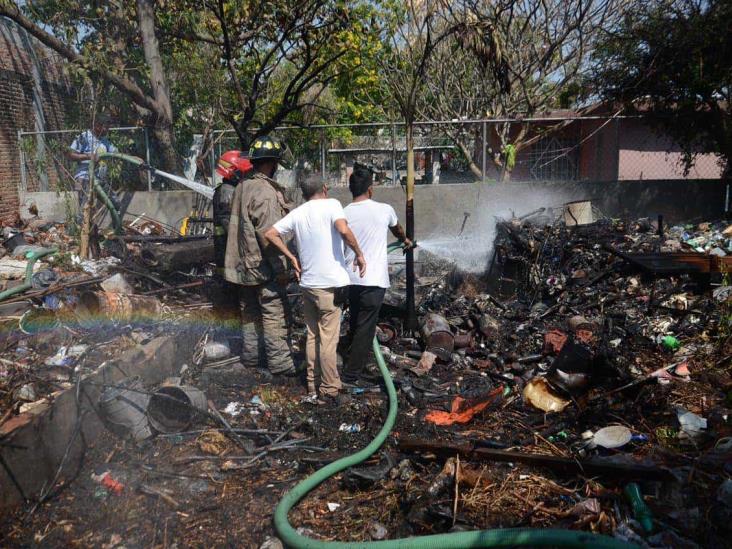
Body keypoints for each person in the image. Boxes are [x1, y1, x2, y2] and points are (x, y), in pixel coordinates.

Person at [264, 175, 367, 405]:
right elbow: (343, 229)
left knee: (313, 336)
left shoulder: (299, 212)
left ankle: (313, 383)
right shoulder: (332, 204)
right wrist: (359, 254)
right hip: (329, 285)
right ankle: (330, 389)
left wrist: (292, 257)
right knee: (328, 340)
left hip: (308, 285)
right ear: (325, 189)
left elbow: (270, 233)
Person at [224, 136, 297, 377]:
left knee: (250, 315)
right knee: (274, 314)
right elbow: (269, 237)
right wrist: (281, 269)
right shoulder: (265, 192)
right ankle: (280, 365)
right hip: (263, 267)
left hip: (241, 268)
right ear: (272, 163)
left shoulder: (242, 187)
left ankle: (252, 360)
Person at [342, 164, 412, 383]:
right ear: (370, 190)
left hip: (347, 279)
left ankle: (347, 357)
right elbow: (397, 230)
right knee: (365, 327)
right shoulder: (384, 209)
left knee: (355, 320)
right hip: (373, 281)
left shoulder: (342, 213)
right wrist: (406, 241)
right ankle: (352, 373)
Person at [210, 150, 253, 348]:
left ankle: (233, 337)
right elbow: (231, 225)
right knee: (230, 295)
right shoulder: (227, 192)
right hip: (227, 253)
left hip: (225, 252)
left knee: (231, 295)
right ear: (233, 171)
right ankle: (231, 340)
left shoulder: (227, 189)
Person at [66, 114, 117, 224]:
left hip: (100, 180)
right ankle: (79, 234)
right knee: (85, 210)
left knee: (115, 203)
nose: (107, 130)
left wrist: (133, 158)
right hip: (85, 178)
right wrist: (89, 156)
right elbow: (70, 154)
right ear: (97, 126)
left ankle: (115, 231)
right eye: (106, 127)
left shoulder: (104, 140)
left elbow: (115, 153)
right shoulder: (83, 137)